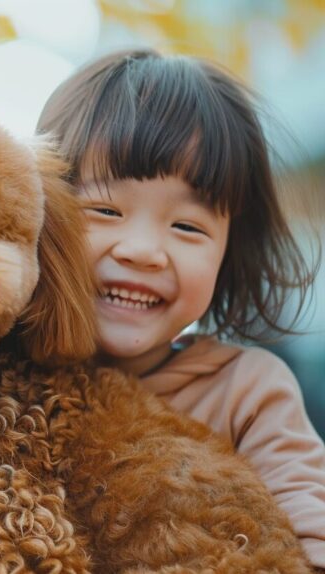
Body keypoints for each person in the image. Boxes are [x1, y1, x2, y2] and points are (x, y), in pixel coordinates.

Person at [36, 48, 325, 567]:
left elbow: (313, 534)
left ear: (228, 254)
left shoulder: (248, 392)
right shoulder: (7, 374)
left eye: (188, 227)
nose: (144, 250)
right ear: (39, 218)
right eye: (104, 209)